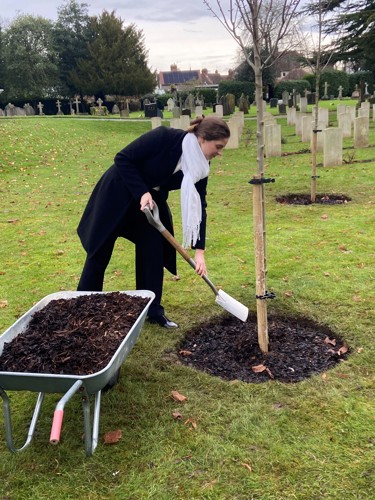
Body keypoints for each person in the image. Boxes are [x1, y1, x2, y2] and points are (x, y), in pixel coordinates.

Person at [77, 116, 230, 328]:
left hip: (150, 205)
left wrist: (200, 251)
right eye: (219, 146)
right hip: (118, 193)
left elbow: (200, 205)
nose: (220, 152)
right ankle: (84, 308)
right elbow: (122, 158)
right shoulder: (164, 137)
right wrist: (142, 192)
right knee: (99, 252)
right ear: (203, 138)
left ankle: (151, 310)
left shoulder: (201, 167)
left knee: (153, 252)